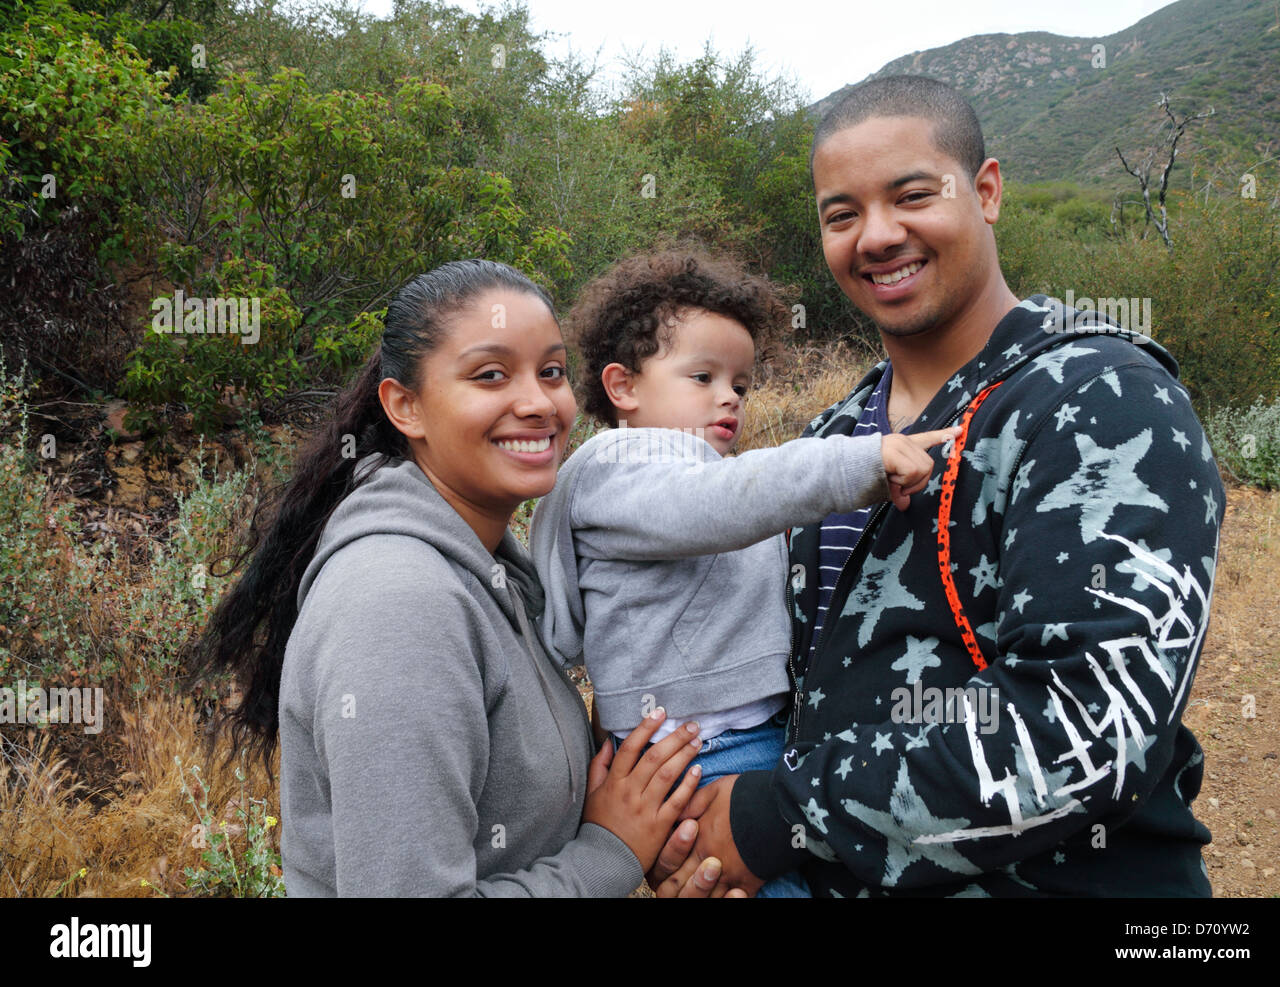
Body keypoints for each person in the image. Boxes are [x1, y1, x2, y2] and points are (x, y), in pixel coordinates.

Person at [653, 75, 1225, 898]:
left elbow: (1089, 725)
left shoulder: (1097, 396)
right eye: (841, 214)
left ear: (986, 192)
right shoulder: (833, 436)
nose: (877, 235)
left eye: (912, 195)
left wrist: (782, 815)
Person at [185, 259, 719, 896]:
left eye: (551, 371)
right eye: (491, 375)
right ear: (405, 406)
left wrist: (652, 830)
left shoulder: (491, 568)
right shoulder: (399, 603)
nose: (538, 403)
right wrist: (608, 855)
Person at [528, 249, 959, 897]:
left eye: (740, 382)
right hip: (695, 752)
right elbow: (724, 504)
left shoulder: (692, 472)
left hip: (744, 739)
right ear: (623, 387)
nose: (728, 394)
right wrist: (859, 462)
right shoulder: (622, 464)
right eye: (701, 376)